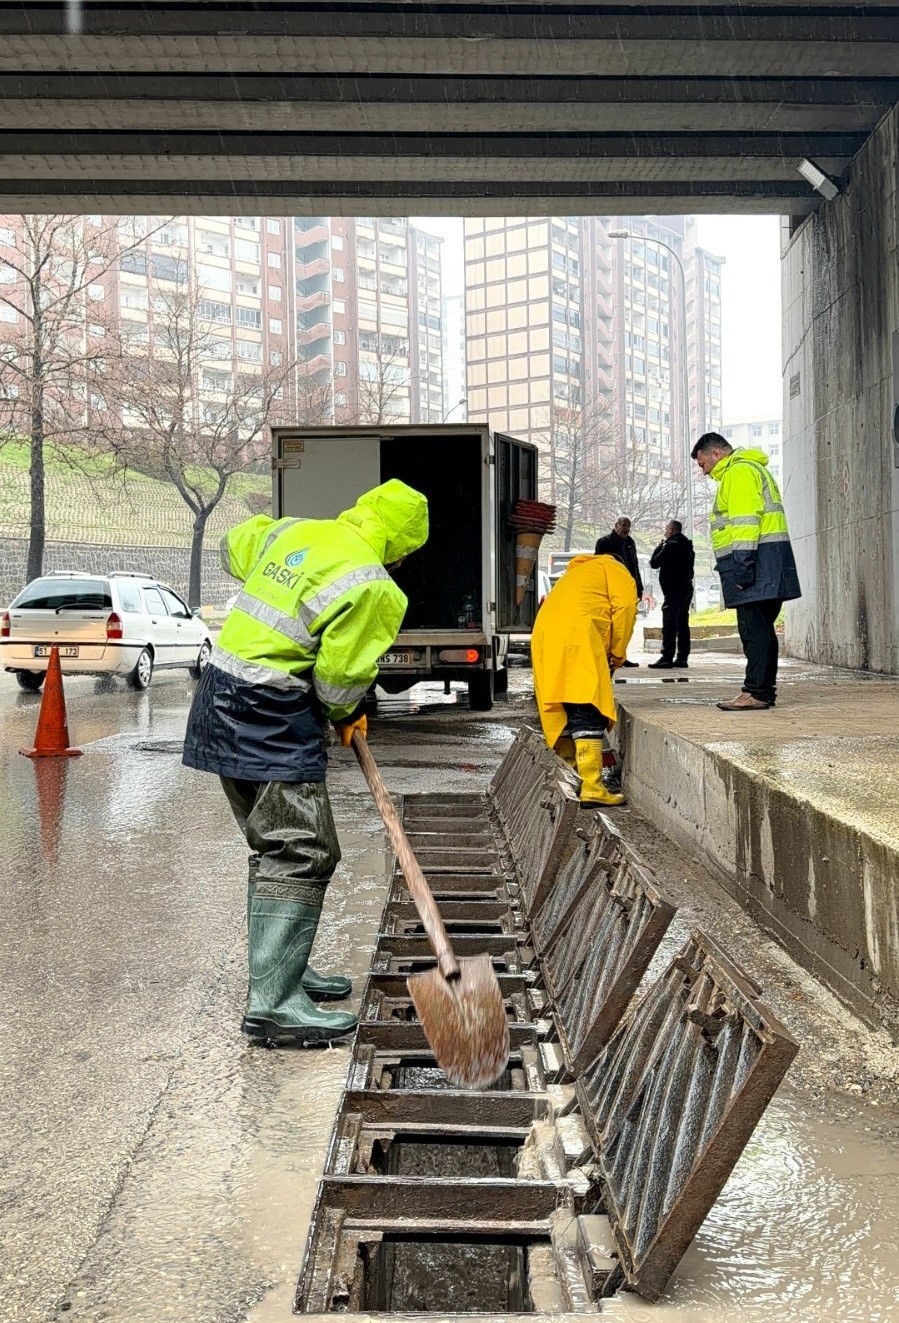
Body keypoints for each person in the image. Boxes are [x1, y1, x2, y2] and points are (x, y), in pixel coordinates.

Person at [182, 480, 429, 1045]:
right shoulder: (375, 587)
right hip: (267, 709)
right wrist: (346, 713)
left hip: (217, 694)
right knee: (302, 849)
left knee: (274, 846)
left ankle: (285, 973)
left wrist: (278, 569)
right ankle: (273, 1003)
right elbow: (339, 679)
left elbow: (234, 545)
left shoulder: (297, 531)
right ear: (403, 545)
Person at [691, 433, 800, 710]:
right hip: (768, 562)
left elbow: (745, 525)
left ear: (716, 454)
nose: (704, 472)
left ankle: (756, 693)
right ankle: (761, 691)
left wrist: (741, 570)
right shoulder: (752, 468)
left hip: (756, 563)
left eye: (704, 464)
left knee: (754, 630)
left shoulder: (738, 472)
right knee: (762, 629)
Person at [531, 551, 638, 806]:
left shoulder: (576, 573)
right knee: (586, 703)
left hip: (545, 637)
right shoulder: (614, 569)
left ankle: (572, 779)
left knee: (563, 707)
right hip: (576, 636)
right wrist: (618, 652)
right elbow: (624, 608)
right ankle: (591, 785)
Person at [594, 517, 643, 665]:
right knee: (611, 623)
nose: (626, 529)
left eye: (628, 526)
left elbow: (635, 566)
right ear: (616, 526)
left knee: (626, 624)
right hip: (612, 588)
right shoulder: (604, 542)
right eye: (623, 525)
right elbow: (598, 566)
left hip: (628, 588)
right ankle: (608, 655)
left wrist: (639, 586)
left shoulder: (630, 542)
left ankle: (620, 655)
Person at [648, 519, 695, 669]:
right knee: (682, 623)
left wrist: (659, 546)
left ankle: (666, 657)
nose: (665, 531)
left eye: (667, 529)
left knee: (669, 624)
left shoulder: (670, 545)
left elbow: (654, 563)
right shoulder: (687, 545)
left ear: (672, 529)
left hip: (673, 591)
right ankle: (682, 657)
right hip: (686, 588)